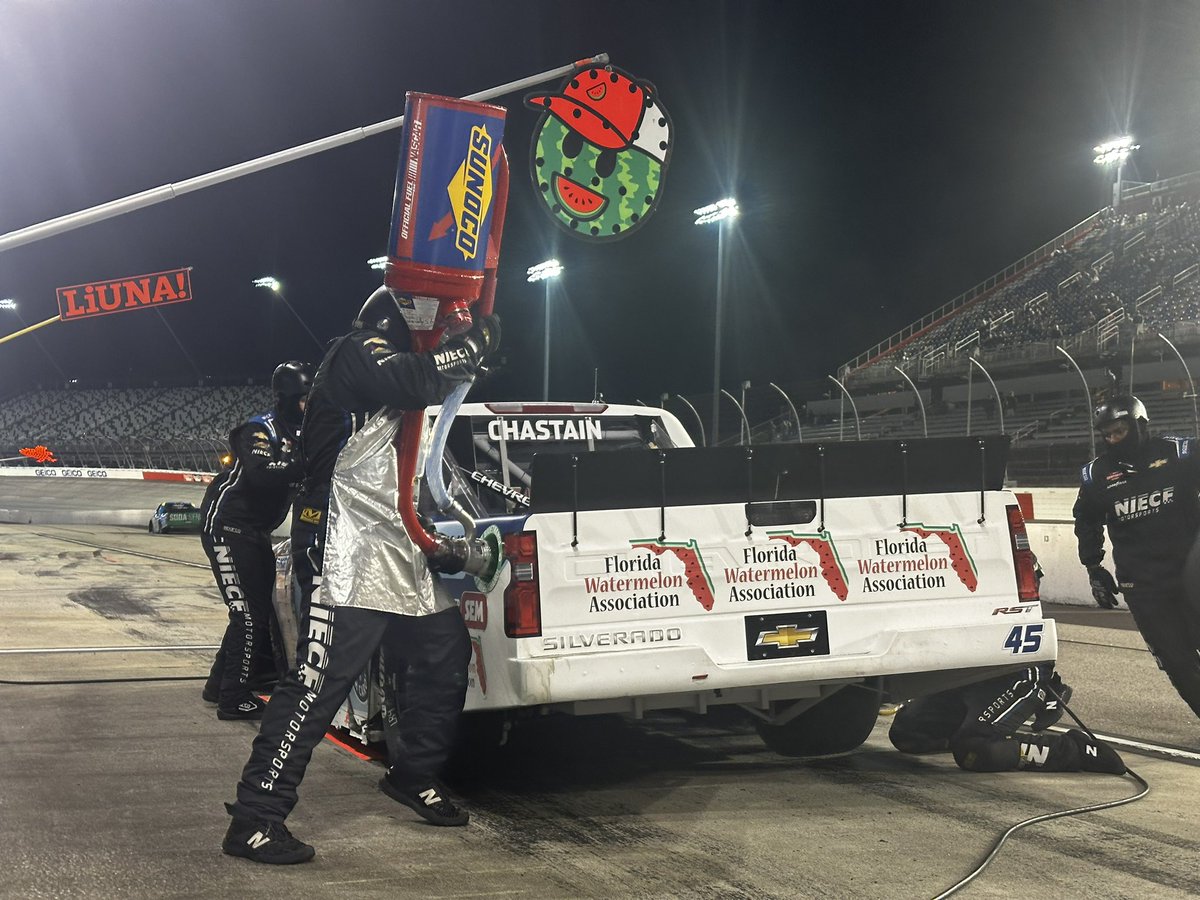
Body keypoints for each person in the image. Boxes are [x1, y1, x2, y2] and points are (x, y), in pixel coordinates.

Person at [221, 287, 500, 865]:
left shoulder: (407, 381)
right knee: (319, 682)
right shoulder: (358, 351)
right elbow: (418, 379)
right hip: (339, 545)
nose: (445, 337)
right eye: (438, 326)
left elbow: (426, 414)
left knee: (444, 656)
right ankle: (255, 818)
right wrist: (472, 342)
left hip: (397, 545)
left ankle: (412, 775)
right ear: (404, 322)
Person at [1072, 393, 1200, 719]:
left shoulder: (1179, 452)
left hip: (1190, 573)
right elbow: (1086, 519)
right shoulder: (1095, 474)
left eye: (1120, 431)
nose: (1113, 439)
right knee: (1176, 661)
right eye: (1107, 434)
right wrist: (1093, 565)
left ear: (1139, 424)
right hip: (1142, 586)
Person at [200, 361, 312, 720]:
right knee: (247, 616)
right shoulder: (258, 429)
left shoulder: (305, 435)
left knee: (252, 614)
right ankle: (234, 699)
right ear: (286, 398)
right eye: (303, 400)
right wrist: (309, 464)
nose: (308, 407)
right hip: (228, 527)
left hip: (255, 533)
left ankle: (219, 685)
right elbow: (261, 473)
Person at [889, 664, 1125, 774]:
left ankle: (1075, 750)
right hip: (960, 672)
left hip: (1013, 672)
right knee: (907, 734)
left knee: (976, 751)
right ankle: (976, 726)